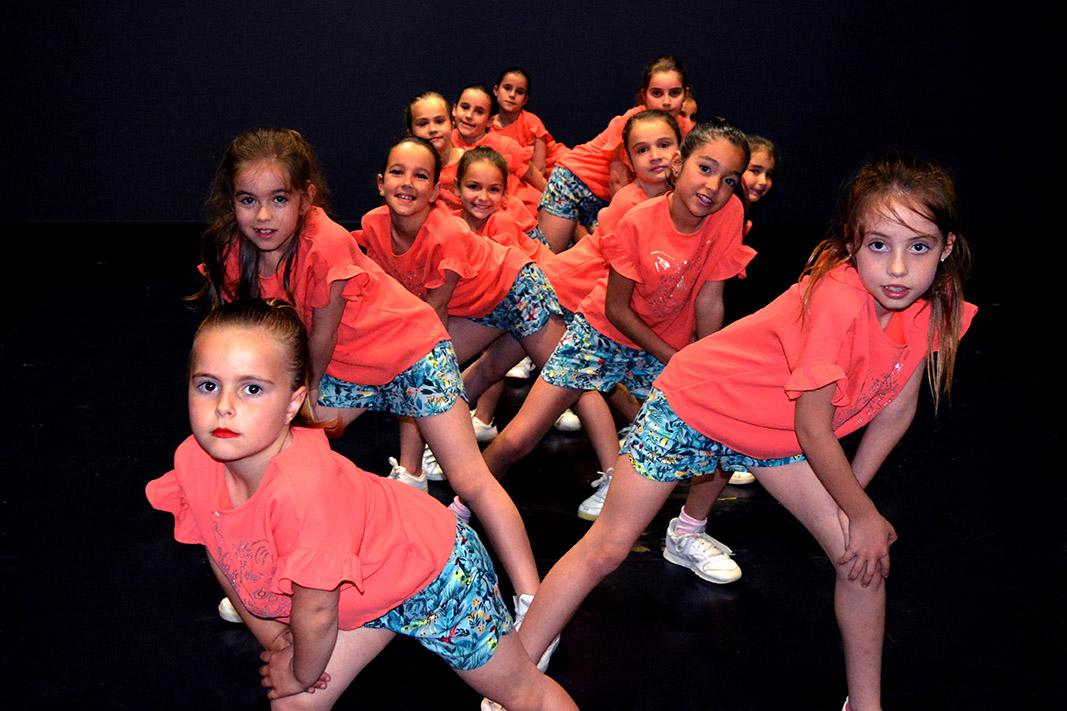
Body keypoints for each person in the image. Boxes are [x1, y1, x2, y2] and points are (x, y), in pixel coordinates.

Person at [511, 152, 976, 711]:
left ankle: (866, 705)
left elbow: (895, 411)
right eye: (880, 246)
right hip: (696, 404)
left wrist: (855, 512)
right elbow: (814, 425)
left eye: (918, 247)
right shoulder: (837, 298)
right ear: (853, 244)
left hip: (772, 429)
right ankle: (515, 670)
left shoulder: (939, 305)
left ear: (946, 248)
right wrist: (859, 512)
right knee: (608, 547)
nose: (898, 269)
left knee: (862, 559)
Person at [146, 300, 576, 711]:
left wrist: (298, 671)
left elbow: (315, 613)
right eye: (208, 385)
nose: (224, 407)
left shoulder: (307, 490)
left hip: (436, 573)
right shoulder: (194, 462)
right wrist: (277, 641)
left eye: (252, 389)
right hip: (360, 587)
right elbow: (223, 552)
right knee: (295, 701)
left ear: (293, 403)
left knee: (523, 693)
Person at [193, 127, 541, 620]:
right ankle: (270, 574)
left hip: (411, 352)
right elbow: (247, 340)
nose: (264, 216)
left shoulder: (325, 243)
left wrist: (298, 408)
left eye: (278, 199)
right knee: (275, 457)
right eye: (249, 200)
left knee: (469, 477)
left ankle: (532, 601)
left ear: (306, 197)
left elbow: (320, 339)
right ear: (231, 201)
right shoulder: (233, 253)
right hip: (352, 371)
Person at [482, 119, 755, 522]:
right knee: (519, 439)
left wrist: (701, 364)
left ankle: (688, 531)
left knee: (715, 433)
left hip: (662, 344)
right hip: (602, 335)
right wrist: (675, 357)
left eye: (729, 180)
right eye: (706, 168)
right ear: (678, 165)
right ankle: (460, 507)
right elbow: (617, 310)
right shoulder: (636, 220)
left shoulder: (727, 214)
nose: (714, 187)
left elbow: (711, 299)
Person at [536, 56, 693, 252]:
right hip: (573, 182)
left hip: (605, 200)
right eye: (657, 93)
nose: (667, 102)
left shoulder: (685, 129)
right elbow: (617, 182)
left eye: (674, 93)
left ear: (686, 94)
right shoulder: (631, 123)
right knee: (548, 258)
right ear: (644, 95)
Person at [490, 66, 569, 176]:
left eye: (519, 92)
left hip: (564, 168)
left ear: (525, 100)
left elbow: (539, 169)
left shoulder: (531, 121)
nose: (512, 95)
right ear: (496, 91)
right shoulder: (488, 127)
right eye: (507, 88)